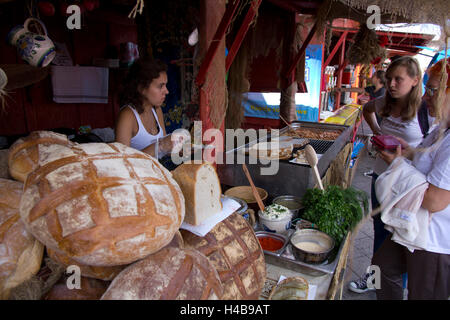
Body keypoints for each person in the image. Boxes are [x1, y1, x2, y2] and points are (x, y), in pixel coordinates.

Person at [348, 56, 426, 293]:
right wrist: (378, 132)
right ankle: (374, 278)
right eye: (389, 78)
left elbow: (429, 154)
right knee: (380, 230)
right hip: (381, 178)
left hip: (406, 186)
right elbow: (366, 109)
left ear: (414, 81)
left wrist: (407, 154)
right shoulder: (385, 103)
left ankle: (393, 286)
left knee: (399, 237)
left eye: (398, 79)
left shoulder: (425, 112)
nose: (392, 84)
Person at [372, 82, 450, 299]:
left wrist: (397, 165)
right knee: (381, 267)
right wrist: (410, 152)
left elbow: (434, 200)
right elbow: (428, 162)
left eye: (433, 90)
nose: (426, 96)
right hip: (411, 226)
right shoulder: (440, 129)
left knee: (423, 293)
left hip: (433, 240)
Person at [115, 58, 183, 159]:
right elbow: (122, 161)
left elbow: (163, 151)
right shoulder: (127, 115)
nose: (166, 91)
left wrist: (181, 148)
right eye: (160, 86)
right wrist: (160, 145)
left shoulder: (156, 110)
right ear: (141, 88)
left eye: (165, 85)